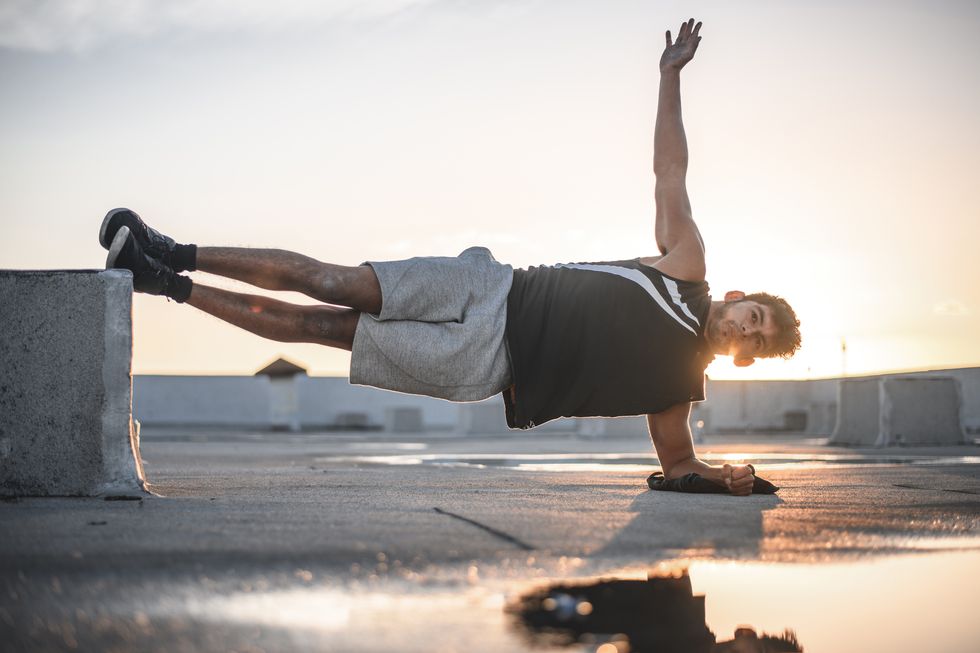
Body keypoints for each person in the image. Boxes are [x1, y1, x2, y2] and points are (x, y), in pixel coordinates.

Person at [101, 19, 800, 496]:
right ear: (740, 295)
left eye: (756, 341)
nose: (746, 329)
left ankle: (162, 282)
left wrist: (724, 478)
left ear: (743, 356)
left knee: (322, 330)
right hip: (491, 288)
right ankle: (171, 247)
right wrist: (670, 76)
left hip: (488, 365)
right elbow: (668, 171)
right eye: (756, 314)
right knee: (332, 281)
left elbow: (678, 464)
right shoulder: (687, 266)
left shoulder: (678, 388)